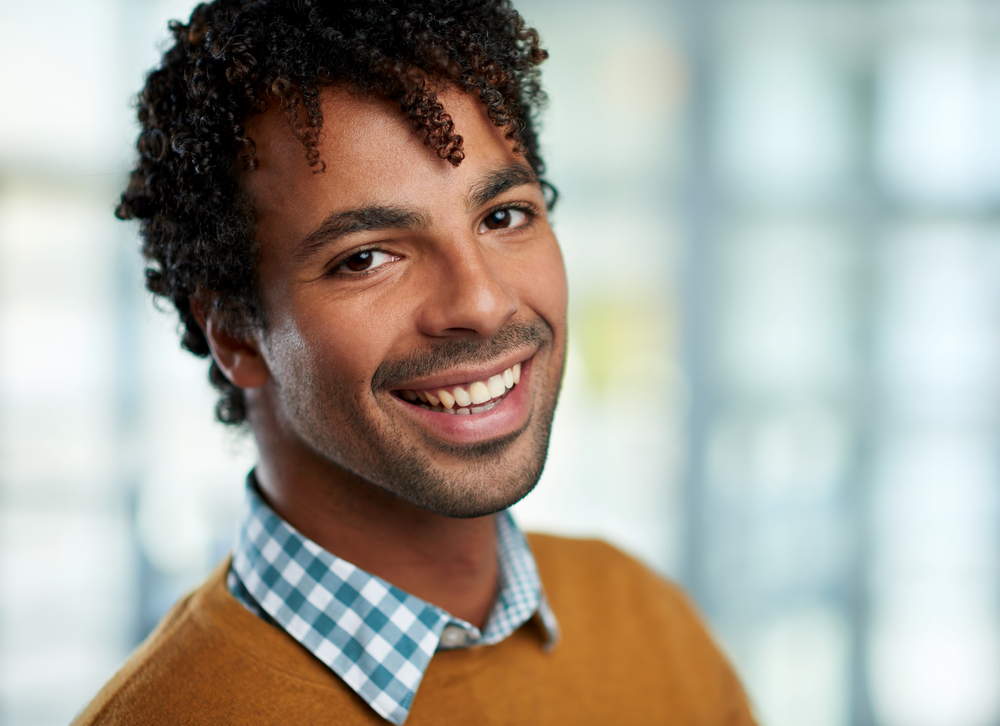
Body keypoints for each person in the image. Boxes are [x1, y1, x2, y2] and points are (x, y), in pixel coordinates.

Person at [74, 1, 757, 723]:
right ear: (236, 335)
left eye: (504, 216)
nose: (484, 302)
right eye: (366, 258)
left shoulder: (645, 623)